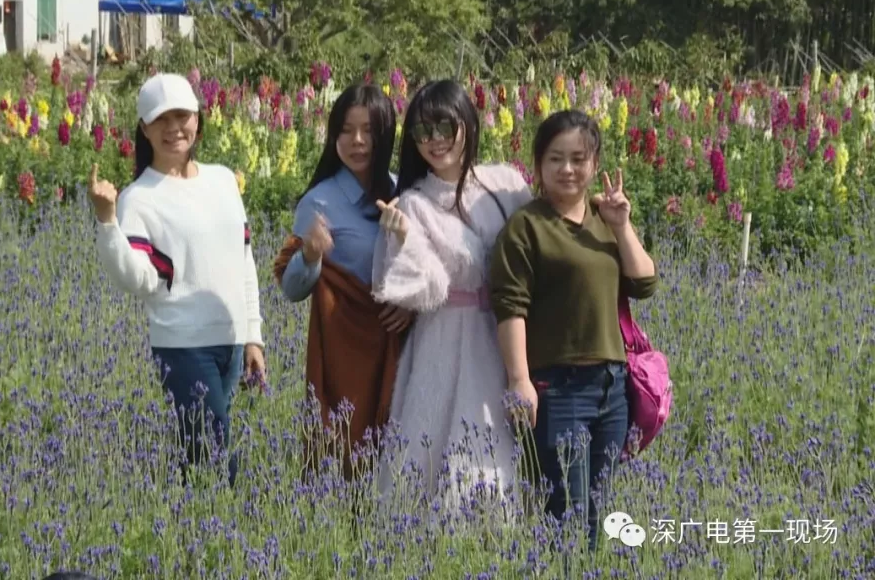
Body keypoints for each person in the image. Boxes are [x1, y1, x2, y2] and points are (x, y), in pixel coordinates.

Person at [488, 109, 658, 548]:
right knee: (566, 508)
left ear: (595, 164)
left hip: (612, 386)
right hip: (559, 389)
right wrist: (519, 380)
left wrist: (622, 225)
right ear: (538, 164)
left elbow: (644, 283)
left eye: (579, 159)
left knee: (597, 507)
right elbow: (510, 307)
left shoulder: (606, 218)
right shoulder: (526, 227)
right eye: (556, 159)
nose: (567, 169)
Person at [88, 72, 266, 488]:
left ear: (198, 119)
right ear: (144, 128)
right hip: (182, 345)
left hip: (231, 341)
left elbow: (244, 261)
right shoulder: (139, 198)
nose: (174, 128)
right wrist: (107, 221)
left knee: (199, 456)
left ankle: (188, 524)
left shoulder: (223, 180)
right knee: (216, 458)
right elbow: (137, 279)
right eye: (161, 119)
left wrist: (252, 336)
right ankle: (222, 523)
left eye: (182, 116)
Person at [370, 79, 535, 511]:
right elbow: (429, 288)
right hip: (444, 338)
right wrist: (404, 238)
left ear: (468, 123)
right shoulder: (413, 203)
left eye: (444, 126)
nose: (435, 140)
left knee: (500, 439)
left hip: (505, 332)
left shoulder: (505, 184)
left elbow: (539, 244)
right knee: (437, 440)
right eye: (422, 132)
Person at [273, 83, 412, 481]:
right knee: (347, 457)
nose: (357, 141)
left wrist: (409, 302)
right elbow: (292, 288)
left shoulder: (405, 191)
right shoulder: (319, 201)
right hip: (348, 355)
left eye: (368, 130)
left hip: (402, 346)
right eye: (347, 130)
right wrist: (310, 255)